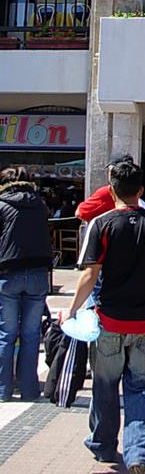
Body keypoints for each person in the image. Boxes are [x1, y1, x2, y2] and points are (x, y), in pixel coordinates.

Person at [65, 161, 145, 473]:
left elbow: (90, 274)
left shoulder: (102, 224)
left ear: (111, 189)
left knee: (105, 386)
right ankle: (141, 455)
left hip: (109, 320)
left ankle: (104, 445)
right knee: (143, 389)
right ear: (141, 191)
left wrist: (71, 311)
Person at [0, 166, 53, 402]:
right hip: (39, 274)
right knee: (31, 335)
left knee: (6, 335)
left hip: (8, 274)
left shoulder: (1, 205)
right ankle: (30, 390)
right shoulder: (40, 206)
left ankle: (3, 390)